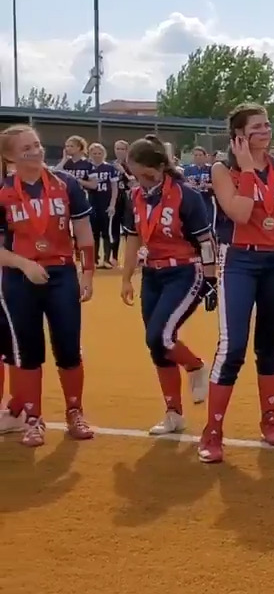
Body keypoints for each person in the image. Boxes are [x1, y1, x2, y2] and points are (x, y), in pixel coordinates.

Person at [203, 103, 274, 463]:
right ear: (238, 136)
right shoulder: (222, 170)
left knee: (270, 344)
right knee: (232, 347)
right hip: (239, 261)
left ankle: (269, 417)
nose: (265, 131)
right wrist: (247, 169)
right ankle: (213, 429)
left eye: (267, 125)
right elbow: (240, 213)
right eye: (257, 127)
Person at [0, 125, 97, 447]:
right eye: (26, 148)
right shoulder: (3, 190)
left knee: (68, 346)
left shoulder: (65, 183)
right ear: (10, 156)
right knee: (27, 351)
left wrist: (87, 274)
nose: (35, 151)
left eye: (37, 144)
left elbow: (83, 232)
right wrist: (24, 264)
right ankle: (32, 419)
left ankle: (75, 411)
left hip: (61, 274)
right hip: (19, 278)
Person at [118, 136, 216, 435]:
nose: (142, 181)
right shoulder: (134, 197)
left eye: (146, 175)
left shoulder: (186, 196)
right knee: (157, 347)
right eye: (136, 175)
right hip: (152, 275)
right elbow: (133, 237)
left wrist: (211, 279)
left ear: (161, 167)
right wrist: (126, 277)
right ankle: (173, 413)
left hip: (185, 272)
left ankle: (196, 366)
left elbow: (205, 241)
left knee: (159, 335)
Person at [87, 142, 118, 269]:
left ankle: (106, 259)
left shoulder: (110, 168)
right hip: (92, 202)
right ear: (90, 154)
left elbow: (115, 188)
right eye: (94, 153)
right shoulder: (87, 168)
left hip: (105, 202)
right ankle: (94, 259)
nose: (97, 156)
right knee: (93, 233)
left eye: (99, 153)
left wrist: (112, 204)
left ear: (104, 154)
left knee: (106, 232)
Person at [108, 139, 136, 268]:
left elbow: (134, 183)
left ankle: (131, 258)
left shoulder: (131, 165)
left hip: (128, 200)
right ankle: (113, 257)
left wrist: (123, 172)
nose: (119, 151)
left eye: (122, 149)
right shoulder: (110, 165)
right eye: (117, 148)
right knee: (114, 229)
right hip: (115, 199)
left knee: (128, 230)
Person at [183, 146, 215, 224]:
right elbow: (183, 184)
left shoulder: (211, 169)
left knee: (208, 221)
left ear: (205, 156)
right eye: (195, 155)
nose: (198, 157)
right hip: (193, 201)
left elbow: (217, 185)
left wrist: (206, 185)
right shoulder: (188, 170)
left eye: (200, 155)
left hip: (207, 199)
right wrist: (190, 185)